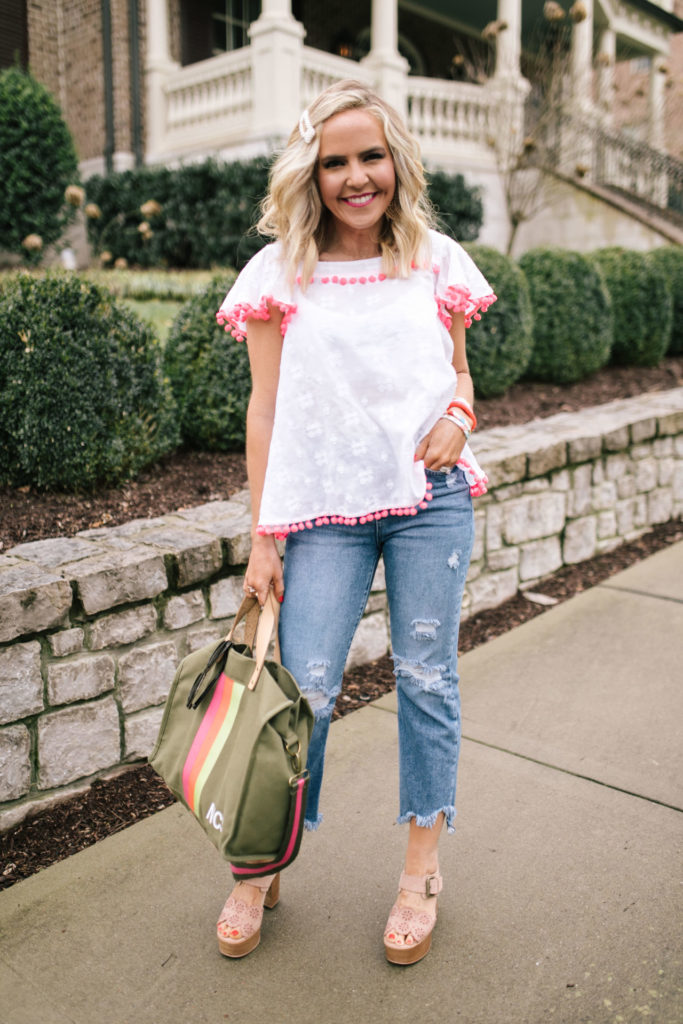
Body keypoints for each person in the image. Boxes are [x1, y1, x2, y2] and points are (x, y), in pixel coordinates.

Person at [215, 79, 495, 965]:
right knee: (304, 692)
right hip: (321, 514)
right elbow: (263, 411)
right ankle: (263, 859)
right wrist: (265, 534)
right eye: (333, 162)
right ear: (311, 173)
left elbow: (458, 378)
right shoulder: (279, 274)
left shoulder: (434, 259)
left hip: (429, 503)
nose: (354, 177)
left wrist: (458, 419)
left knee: (426, 678)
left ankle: (419, 873)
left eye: (368, 156)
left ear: (395, 161)